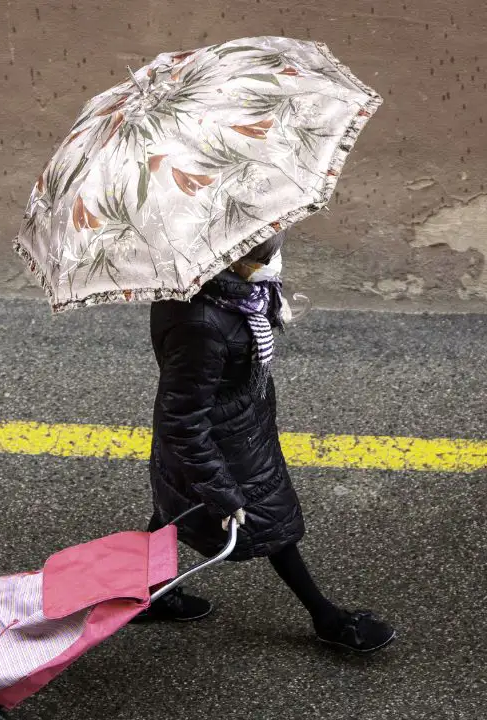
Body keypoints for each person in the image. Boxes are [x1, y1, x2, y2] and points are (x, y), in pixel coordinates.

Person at [137, 229, 395, 653]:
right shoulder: (201, 323)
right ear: (228, 260)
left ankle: (148, 594)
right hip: (223, 442)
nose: (270, 263)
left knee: (171, 509)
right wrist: (222, 491)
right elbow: (183, 420)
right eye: (259, 258)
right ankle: (327, 619)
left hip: (235, 426)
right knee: (269, 523)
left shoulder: (209, 289)